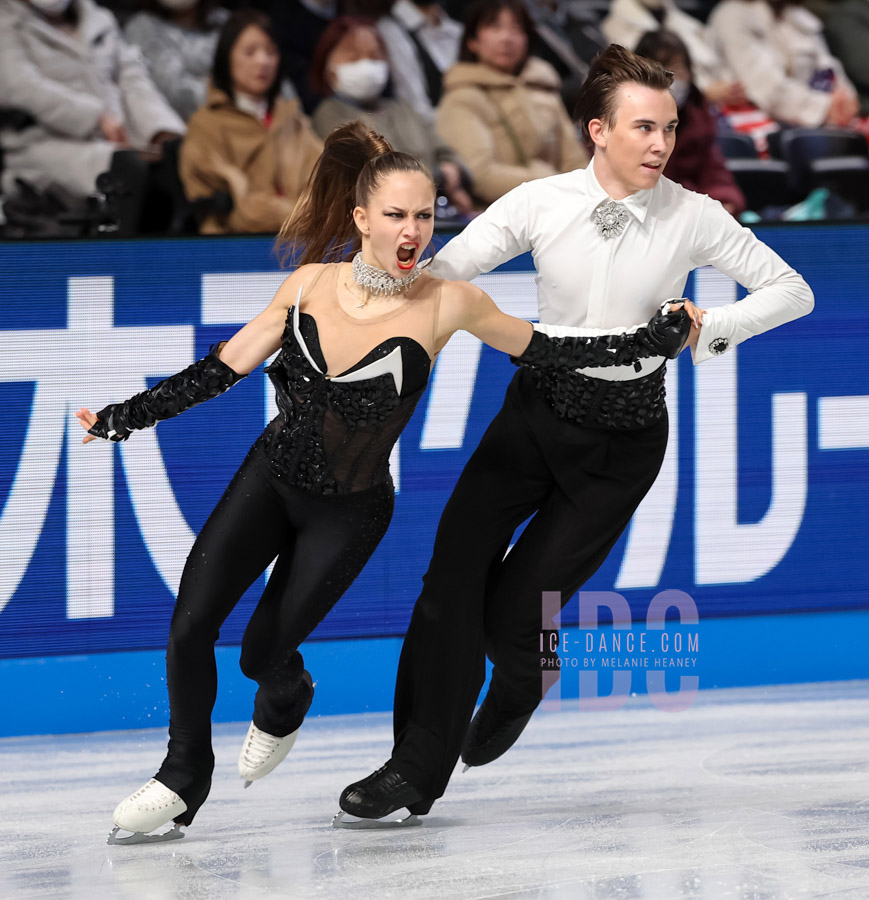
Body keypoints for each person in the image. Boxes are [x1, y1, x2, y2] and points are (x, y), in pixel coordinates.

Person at [76, 120, 693, 843]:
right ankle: (182, 778)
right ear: (361, 219)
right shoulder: (307, 285)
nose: (413, 232)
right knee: (190, 626)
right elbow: (223, 368)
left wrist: (645, 343)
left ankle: (285, 695)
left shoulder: (446, 301)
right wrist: (127, 417)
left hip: (349, 511)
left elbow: (547, 348)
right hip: (267, 478)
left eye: (425, 216)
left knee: (261, 651)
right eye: (396, 215)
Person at [337, 43, 814, 825]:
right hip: (533, 415)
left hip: (621, 444)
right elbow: (451, 271)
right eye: (642, 128)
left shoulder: (694, 215)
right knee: (449, 583)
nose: (660, 144)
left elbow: (790, 289)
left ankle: (528, 675)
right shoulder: (538, 200)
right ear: (597, 130)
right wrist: (379, 281)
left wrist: (708, 326)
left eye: (666, 128)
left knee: (514, 614)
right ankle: (413, 769)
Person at [0, 0, 184, 199]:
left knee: (178, 162)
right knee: (133, 170)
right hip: (42, 146)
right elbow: (19, 86)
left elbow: (133, 78)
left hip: (120, 140)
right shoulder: (6, 23)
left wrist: (161, 131)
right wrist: (95, 118)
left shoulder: (100, 18)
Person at [310, 15, 473, 218]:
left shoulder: (402, 108)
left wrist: (455, 172)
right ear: (328, 66)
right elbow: (375, 172)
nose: (366, 65)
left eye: (374, 56)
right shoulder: (329, 113)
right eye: (353, 57)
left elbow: (445, 150)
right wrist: (439, 176)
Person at [178, 8, 322, 234]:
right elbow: (236, 214)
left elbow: (327, 189)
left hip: (302, 243)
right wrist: (304, 214)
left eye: (271, 52)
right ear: (226, 57)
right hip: (234, 251)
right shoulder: (205, 125)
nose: (263, 61)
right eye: (250, 51)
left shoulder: (293, 120)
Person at [435, 0, 589, 206]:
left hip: (557, 209)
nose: (506, 38)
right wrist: (552, 184)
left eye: (516, 28)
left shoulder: (544, 90)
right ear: (473, 41)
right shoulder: (462, 97)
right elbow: (480, 174)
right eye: (494, 27)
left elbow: (576, 162)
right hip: (496, 217)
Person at [634, 30, 745, 216]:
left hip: (696, 218)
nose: (671, 79)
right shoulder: (623, 125)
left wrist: (724, 202)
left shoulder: (698, 120)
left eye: (677, 69)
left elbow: (715, 174)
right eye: (661, 70)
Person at [708, 0, 859, 128]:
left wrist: (846, 99)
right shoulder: (732, 15)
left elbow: (829, 68)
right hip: (760, 122)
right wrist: (825, 107)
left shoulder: (797, 15)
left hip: (815, 121)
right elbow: (767, 89)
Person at [602, 0, 747, 108]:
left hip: (709, 113)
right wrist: (703, 94)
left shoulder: (685, 23)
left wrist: (727, 88)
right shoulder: (614, 30)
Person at [125, 0, 230, 123]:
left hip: (239, 120)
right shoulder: (143, 26)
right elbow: (174, 91)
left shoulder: (225, 21)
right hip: (180, 128)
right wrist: (228, 100)